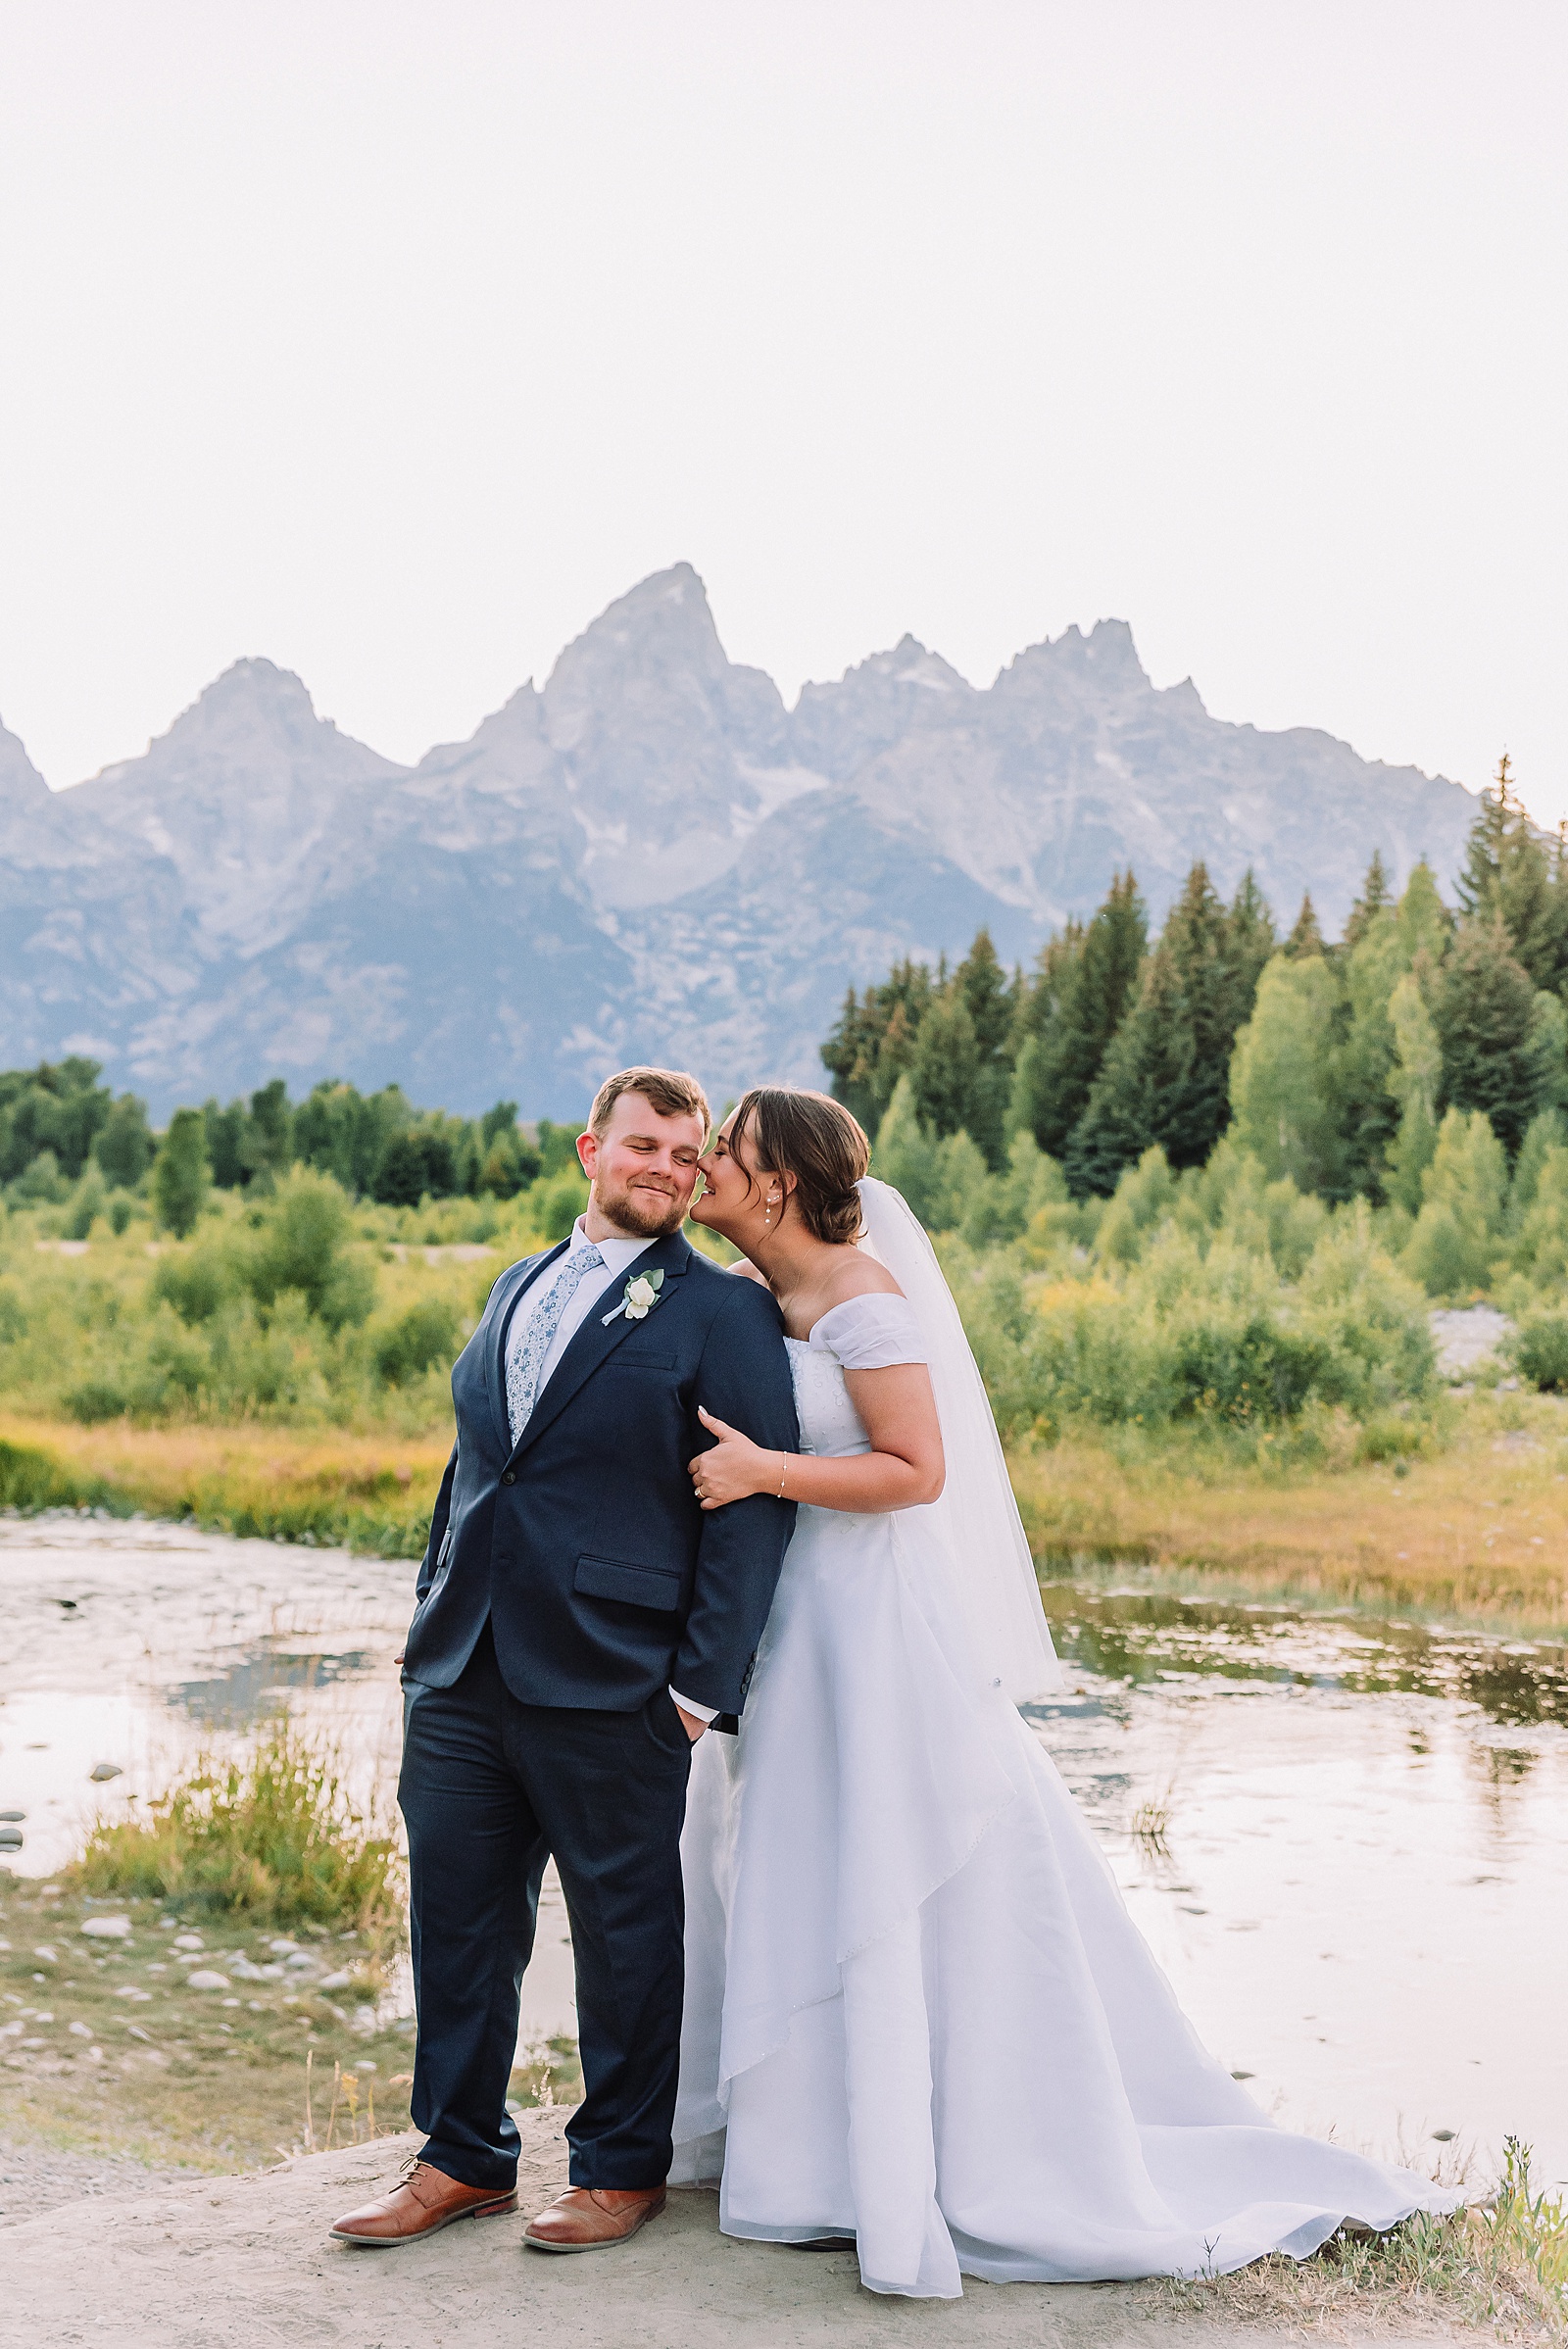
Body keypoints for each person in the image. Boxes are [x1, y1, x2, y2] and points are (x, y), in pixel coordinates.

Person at [671, 1084, 1462, 2299]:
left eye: (727, 1146)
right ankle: (810, 2160)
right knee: (792, 1859)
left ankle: (938, 2158)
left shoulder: (859, 1293)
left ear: (779, 1178)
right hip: (790, 1630)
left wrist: (763, 1470)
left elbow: (915, 1471)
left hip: (872, 1630)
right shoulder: (759, 1298)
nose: (708, 1161)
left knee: (890, 1865)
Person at [331, 1067, 797, 2254]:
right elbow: (479, 1464)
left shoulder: (722, 1313)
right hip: (459, 1671)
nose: (667, 1170)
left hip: (617, 1679)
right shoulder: (513, 1282)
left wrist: (698, 1691)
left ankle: (618, 2167)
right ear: (590, 1150)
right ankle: (461, 2156)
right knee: (458, 1922)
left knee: (626, 1930)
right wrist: (430, 1606)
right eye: (644, 1146)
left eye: (687, 1157)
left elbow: (750, 1516)